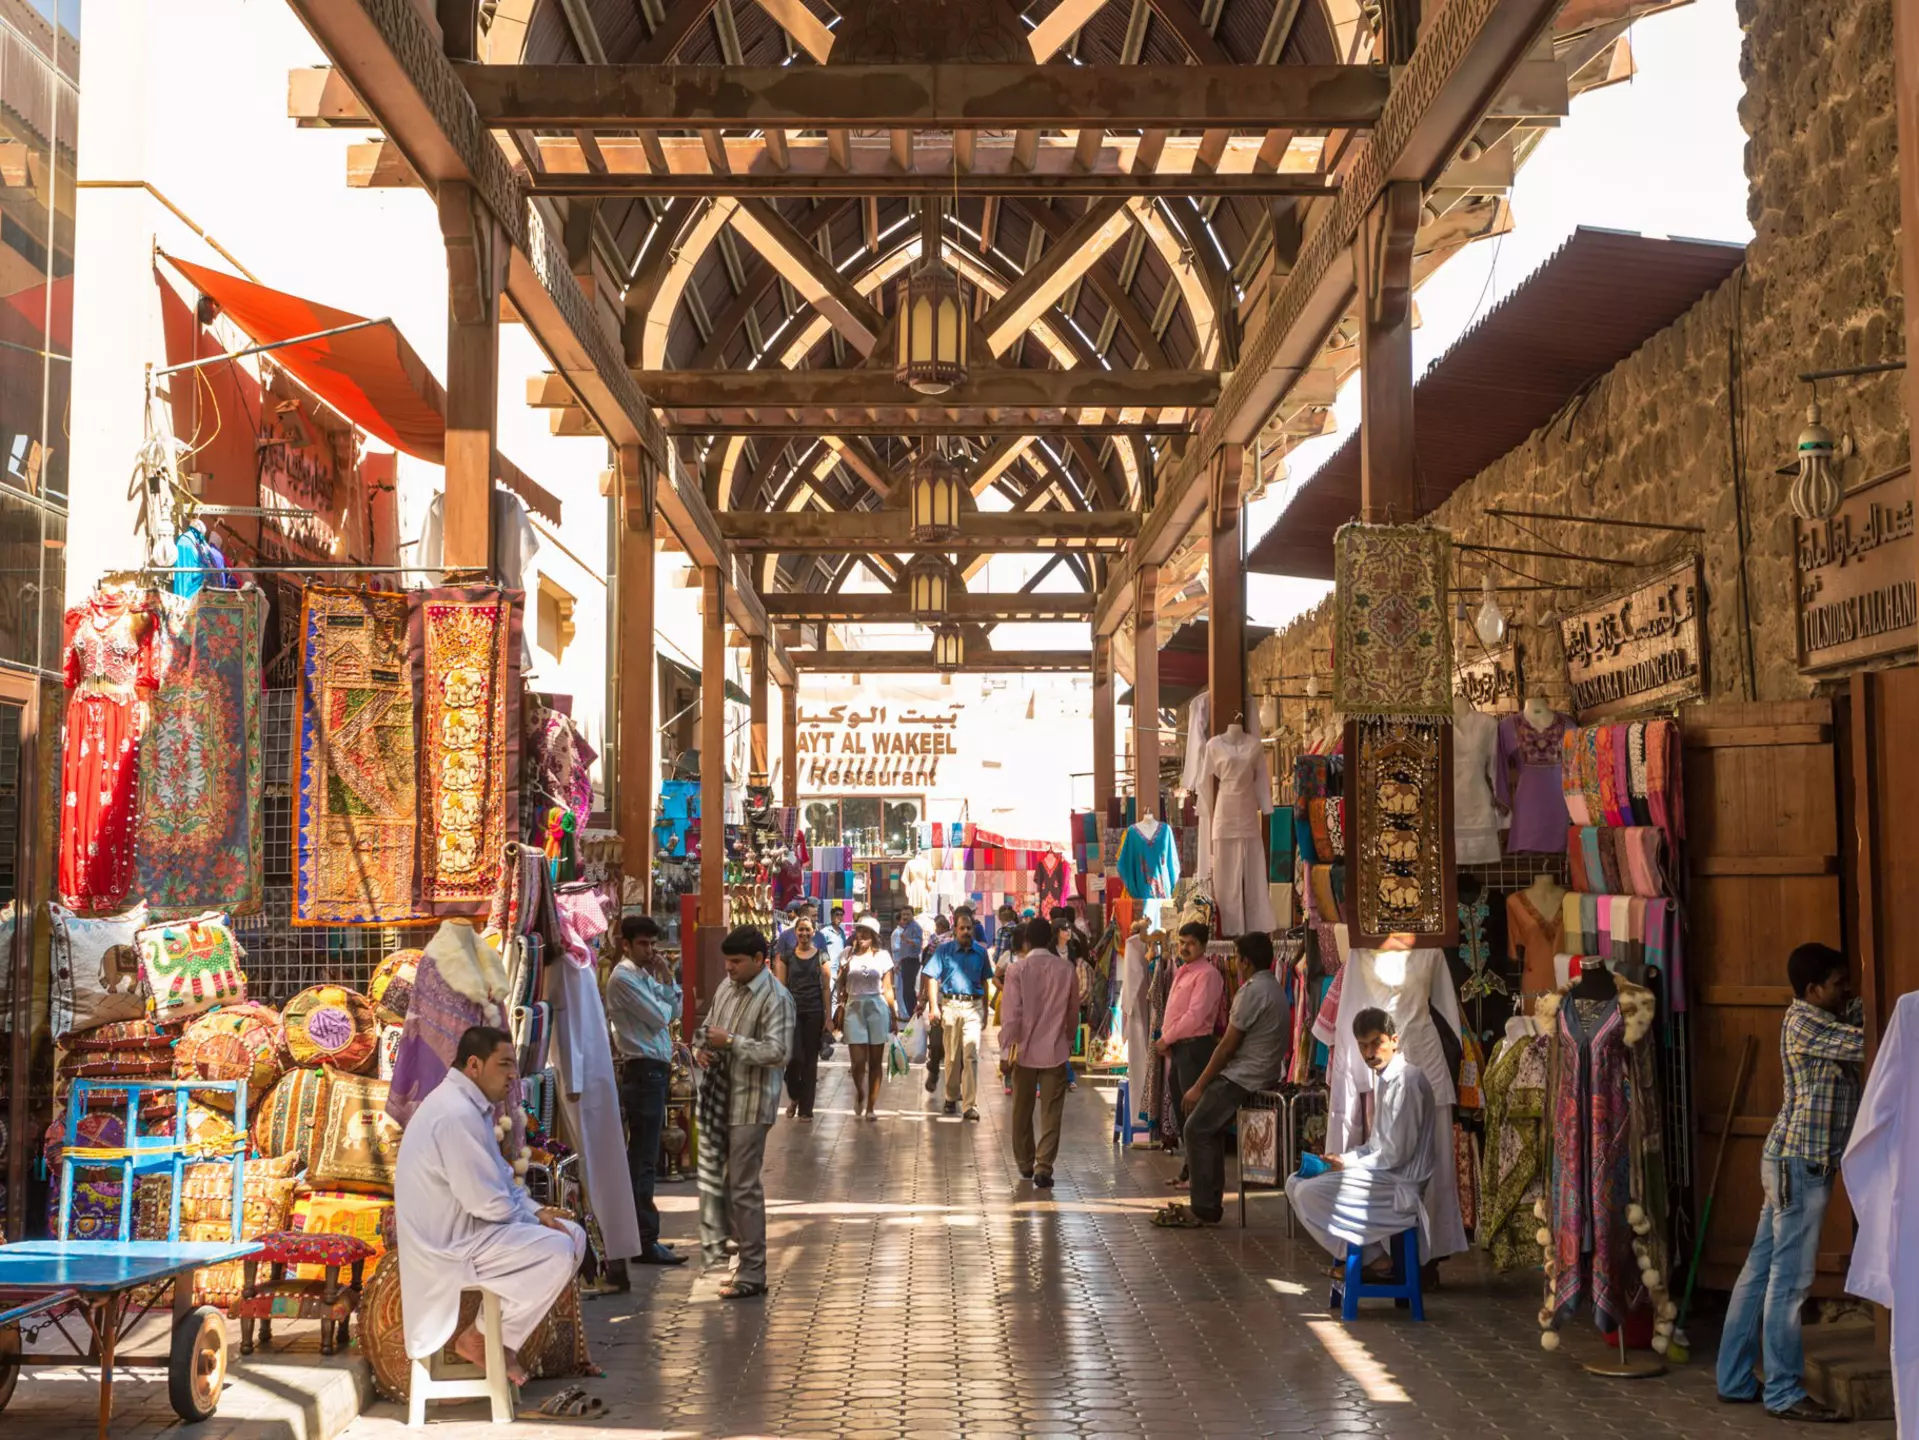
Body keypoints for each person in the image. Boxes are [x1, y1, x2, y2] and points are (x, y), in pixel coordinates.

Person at [1717, 942, 1864, 1420]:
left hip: (1787, 1162)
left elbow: (1857, 1021)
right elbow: (1868, 1043)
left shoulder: (1821, 1016)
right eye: (1840, 984)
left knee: (1759, 1273)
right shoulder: (1806, 1023)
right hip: (1801, 1166)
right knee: (1790, 1283)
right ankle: (1782, 1392)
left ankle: (1735, 1380)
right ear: (1812, 989)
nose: (1848, 991)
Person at [394, 1026, 586, 1384]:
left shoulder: (468, 1106)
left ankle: (498, 1338)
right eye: (504, 1064)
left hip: (473, 1232)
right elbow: (486, 1202)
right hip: (449, 1246)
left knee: (572, 1236)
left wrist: (536, 1212)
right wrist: (528, 1221)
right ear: (474, 1065)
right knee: (557, 1250)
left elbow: (499, 1181)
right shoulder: (455, 1113)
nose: (514, 1074)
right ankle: (482, 1337)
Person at [1152, 931, 1290, 1229]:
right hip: (1258, 1069)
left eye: (1238, 958)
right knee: (1206, 1128)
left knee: (1195, 1127)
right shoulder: (1272, 987)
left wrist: (1199, 1085)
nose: (1236, 964)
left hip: (1244, 1075)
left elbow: (1227, 1045)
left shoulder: (1251, 990)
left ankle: (1204, 1207)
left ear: (1245, 961)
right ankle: (1209, 1203)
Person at [1284, 1008, 1439, 1270]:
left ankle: (1372, 1259)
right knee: (1295, 1181)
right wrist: (1340, 1159)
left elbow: (1395, 1155)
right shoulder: (1386, 1079)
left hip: (1399, 1187)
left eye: (1376, 1043)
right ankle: (1370, 1254)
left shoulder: (1407, 1081)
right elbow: (1375, 1147)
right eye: (1363, 1046)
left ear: (1394, 1040)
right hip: (1381, 1176)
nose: (1369, 1053)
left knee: (1309, 1193)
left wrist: (1347, 1165)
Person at [693, 927, 797, 1300]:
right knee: (723, 1183)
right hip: (720, 1096)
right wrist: (700, 1048)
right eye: (727, 961)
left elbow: (778, 1052)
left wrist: (732, 1043)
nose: (729, 968)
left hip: (751, 1103)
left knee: (744, 1186)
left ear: (759, 960)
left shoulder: (776, 998)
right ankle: (741, 1260)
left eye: (736, 962)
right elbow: (707, 1030)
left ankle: (753, 1271)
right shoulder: (727, 987)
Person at [604, 916, 687, 1267]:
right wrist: (666, 996)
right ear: (626, 944)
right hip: (643, 1071)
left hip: (653, 1071)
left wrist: (667, 978)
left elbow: (675, 1007)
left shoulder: (643, 975)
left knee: (646, 1156)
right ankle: (642, 1238)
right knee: (642, 1160)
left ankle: (643, 1235)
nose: (650, 951)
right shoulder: (623, 978)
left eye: (653, 944)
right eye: (643, 944)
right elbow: (660, 1016)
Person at [999, 915, 1080, 1190]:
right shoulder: (1066, 969)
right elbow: (1072, 1012)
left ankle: (1025, 1162)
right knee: (1051, 1111)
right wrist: (1068, 1039)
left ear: (1026, 940)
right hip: (1055, 1051)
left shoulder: (1016, 970)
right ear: (1050, 939)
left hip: (1022, 1051)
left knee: (1021, 1109)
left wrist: (1004, 1053)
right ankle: (1044, 1166)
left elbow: (1011, 1015)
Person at [1156, 921, 1227, 1187]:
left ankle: (1200, 1177)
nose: (1184, 948)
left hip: (1196, 1048)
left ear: (1203, 946)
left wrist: (1167, 1038)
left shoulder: (1208, 975)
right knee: (1183, 1113)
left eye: (1191, 943)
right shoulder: (1183, 971)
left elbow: (1195, 1016)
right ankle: (1189, 1171)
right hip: (1180, 1050)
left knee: (1194, 1114)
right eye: (1181, 942)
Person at [926, 905, 995, 1119]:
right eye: (962, 928)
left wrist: (984, 1008)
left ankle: (969, 1105)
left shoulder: (981, 953)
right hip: (951, 1006)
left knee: (970, 1054)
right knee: (953, 1057)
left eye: (969, 928)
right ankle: (951, 1096)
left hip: (973, 1007)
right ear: (955, 929)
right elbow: (931, 977)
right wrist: (933, 1006)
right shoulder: (944, 951)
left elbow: (984, 980)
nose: (966, 932)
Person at [837, 914, 900, 1119]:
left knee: (875, 1061)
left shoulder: (882, 956)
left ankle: (871, 1106)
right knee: (857, 1061)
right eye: (859, 930)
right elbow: (840, 985)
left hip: (877, 1006)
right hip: (854, 1006)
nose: (862, 935)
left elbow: (888, 988)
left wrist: (893, 1014)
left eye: (866, 932)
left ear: (874, 935)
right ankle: (860, 1092)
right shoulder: (847, 954)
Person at [774, 913, 829, 1121]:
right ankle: (795, 1095)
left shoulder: (821, 956)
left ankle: (806, 1108)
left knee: (810, 1062)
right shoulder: (787, 956)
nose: (804, 933)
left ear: (813, 932)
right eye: (800, 930)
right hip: (792, 1012)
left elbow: (826, 987)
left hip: (814, 1012)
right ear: (795, 933)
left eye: (807, 930)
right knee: (794, 1058)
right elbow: (781, 986)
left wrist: (829, 1017)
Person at [921, 915, 951, 1094]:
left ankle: (954, 1089)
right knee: (937, 1041)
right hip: (939, 1000)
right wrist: (923, 999)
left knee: (960, 1049)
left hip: (961, 1003)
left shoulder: (972, 948)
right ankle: (933, 1069)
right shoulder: (937, 945)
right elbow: (928, 972)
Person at [891, 906, 925, 1021]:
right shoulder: (905, 928)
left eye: (907, 914)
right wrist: (899, 963)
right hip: (905, 961)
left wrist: (908, 940)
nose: (905, 917)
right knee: (906, 991)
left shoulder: (915, 927)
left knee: (908, 990)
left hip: (912, 961)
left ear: (912, 915)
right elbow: (903, 949)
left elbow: (918, 942)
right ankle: (912, 1016)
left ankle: (914, 1016)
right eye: (903, 915)